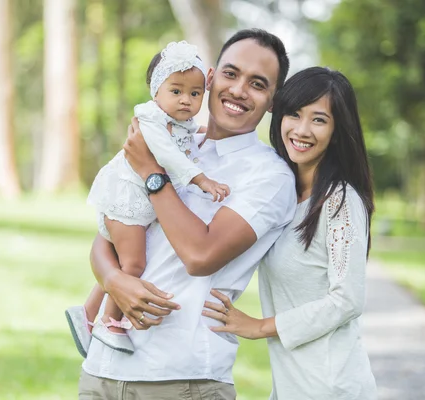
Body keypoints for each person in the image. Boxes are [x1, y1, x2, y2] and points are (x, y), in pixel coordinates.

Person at [78, 29, 296, 399]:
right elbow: (108, 234)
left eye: (258, 84)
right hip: (103, 371)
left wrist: (152, 173)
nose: (239, 90)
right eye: (231, 74)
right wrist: (114, 281)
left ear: (273, 100)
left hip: (180, 378)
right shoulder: (170, 140)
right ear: (211, 78)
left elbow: (200, 256)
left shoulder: (269, 175)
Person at [203, 67, 378, 399]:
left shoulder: (339, 201)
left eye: (318, 119)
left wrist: (258, 327)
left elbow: (347, 299)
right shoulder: (284, 192)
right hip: (290, 385)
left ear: (338, 130)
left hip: (330, 387)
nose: (301, 129)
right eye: (294, 114)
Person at [65, 41, 230, 356]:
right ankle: (109, 322)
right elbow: (169, 154)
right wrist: (202, 179)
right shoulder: (150, 120)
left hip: (137, 200)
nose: (186, 100)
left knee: (122, 255)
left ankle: (86, 314)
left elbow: (187, 139)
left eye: (195, 94)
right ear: (156, 92)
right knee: (133, 262)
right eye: (176, 91)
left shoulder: (182, 122)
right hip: (126, 197)